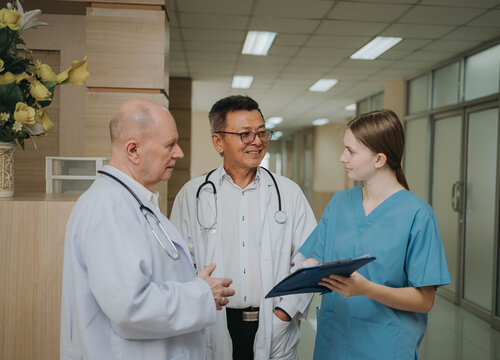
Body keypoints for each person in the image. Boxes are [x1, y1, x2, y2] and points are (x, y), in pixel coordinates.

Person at [60, 99, 235, 360]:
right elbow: (130, 307)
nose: (179, 153)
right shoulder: (108, 207)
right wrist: (201, 293)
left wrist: (200, 289)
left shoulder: (134, 202)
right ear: (133, 150)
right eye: (170, 145)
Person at [169, 95, 317, 360]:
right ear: (218, 141)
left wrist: (284, 312)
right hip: (212, 322)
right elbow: (178, 263)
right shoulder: (192, 195)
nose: (257, 141)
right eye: (245, 134)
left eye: (262, 132)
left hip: (274, 326)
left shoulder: (289, 192)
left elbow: (310, 257)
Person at [300, 109, 451, 359]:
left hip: (385, 346)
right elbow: (316, 256)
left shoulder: (417, 215)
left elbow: (425, 300)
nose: (341, 157)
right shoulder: (339, 203)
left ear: (379, 159)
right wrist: (308, 267)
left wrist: (367, 289)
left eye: (351, 151)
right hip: (334, 341)